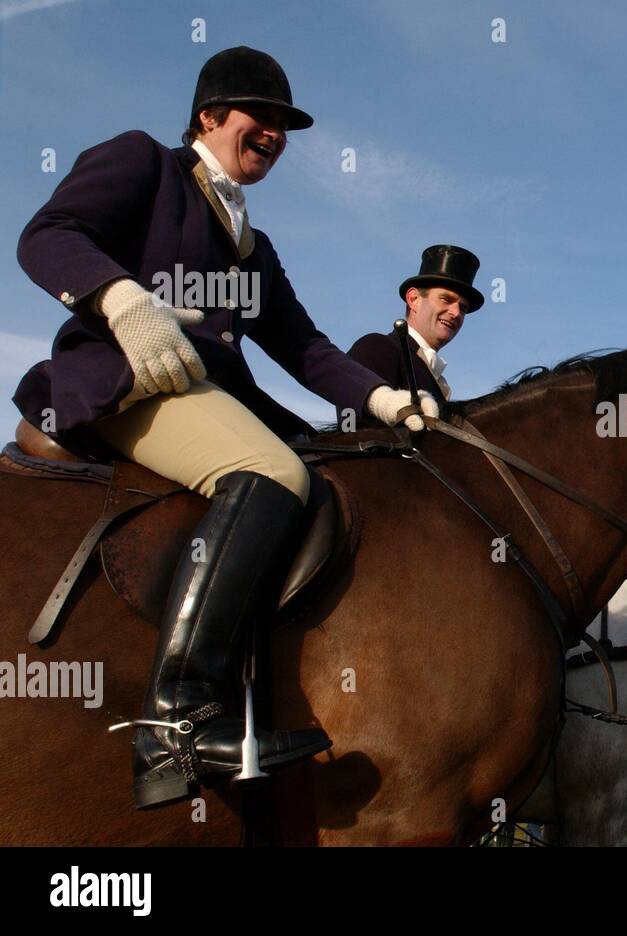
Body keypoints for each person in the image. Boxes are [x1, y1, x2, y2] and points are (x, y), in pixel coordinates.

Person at [12, 46, 436, 810]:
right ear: (211, 117)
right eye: (261, 118)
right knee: (272, 474)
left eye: (284, 126)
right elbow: (47, 235)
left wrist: (387, 404)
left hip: (210, 393)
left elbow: (304, 348)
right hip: (129, 382)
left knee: (341, 474)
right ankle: (175, 721)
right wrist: (121, 300)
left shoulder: (251, 245)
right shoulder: (144, 162)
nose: (274, 134)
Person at [342, 244, 483, 425]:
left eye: (463, 308)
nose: (456, 312)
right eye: (446, 299)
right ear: (413, 299)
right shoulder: (377, 347)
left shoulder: (439, 380)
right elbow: (354, 431)